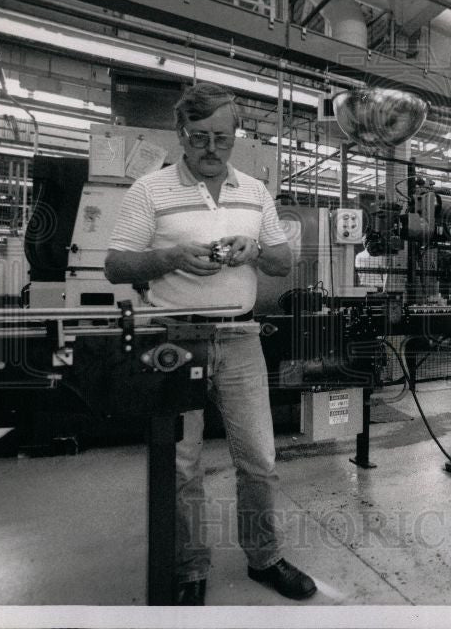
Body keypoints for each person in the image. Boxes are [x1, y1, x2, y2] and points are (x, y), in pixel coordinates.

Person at [104, 83, 316, 605]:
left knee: (259, 458)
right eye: (199, 137)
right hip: (174, 337)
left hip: (241, 336)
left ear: (235, 137)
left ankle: (264, 557)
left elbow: (282, 262)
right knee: (181, 462)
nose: (211, 149)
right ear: (181, 134)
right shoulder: (150, 191)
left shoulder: (255, 192)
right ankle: (189, 565)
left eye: (222, 137)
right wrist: (170, 257)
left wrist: (253, 250)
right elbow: (116, 264)